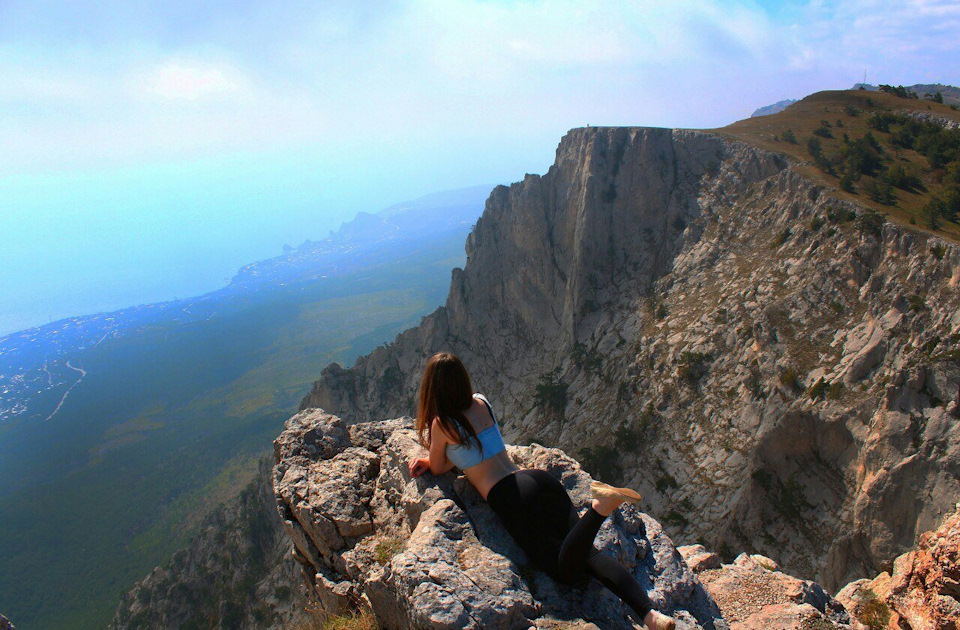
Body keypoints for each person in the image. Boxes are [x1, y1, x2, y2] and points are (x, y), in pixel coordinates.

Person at [407, 352, 677, 630]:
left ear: (432, 389)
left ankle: (599, 510)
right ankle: (650, 615)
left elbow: (439, 466)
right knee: (589, 555)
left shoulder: (442, 423)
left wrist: (427, 460)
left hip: (511, 497)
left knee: (565, 572)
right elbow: (476, 446)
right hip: (537, 479)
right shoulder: (481, 401)